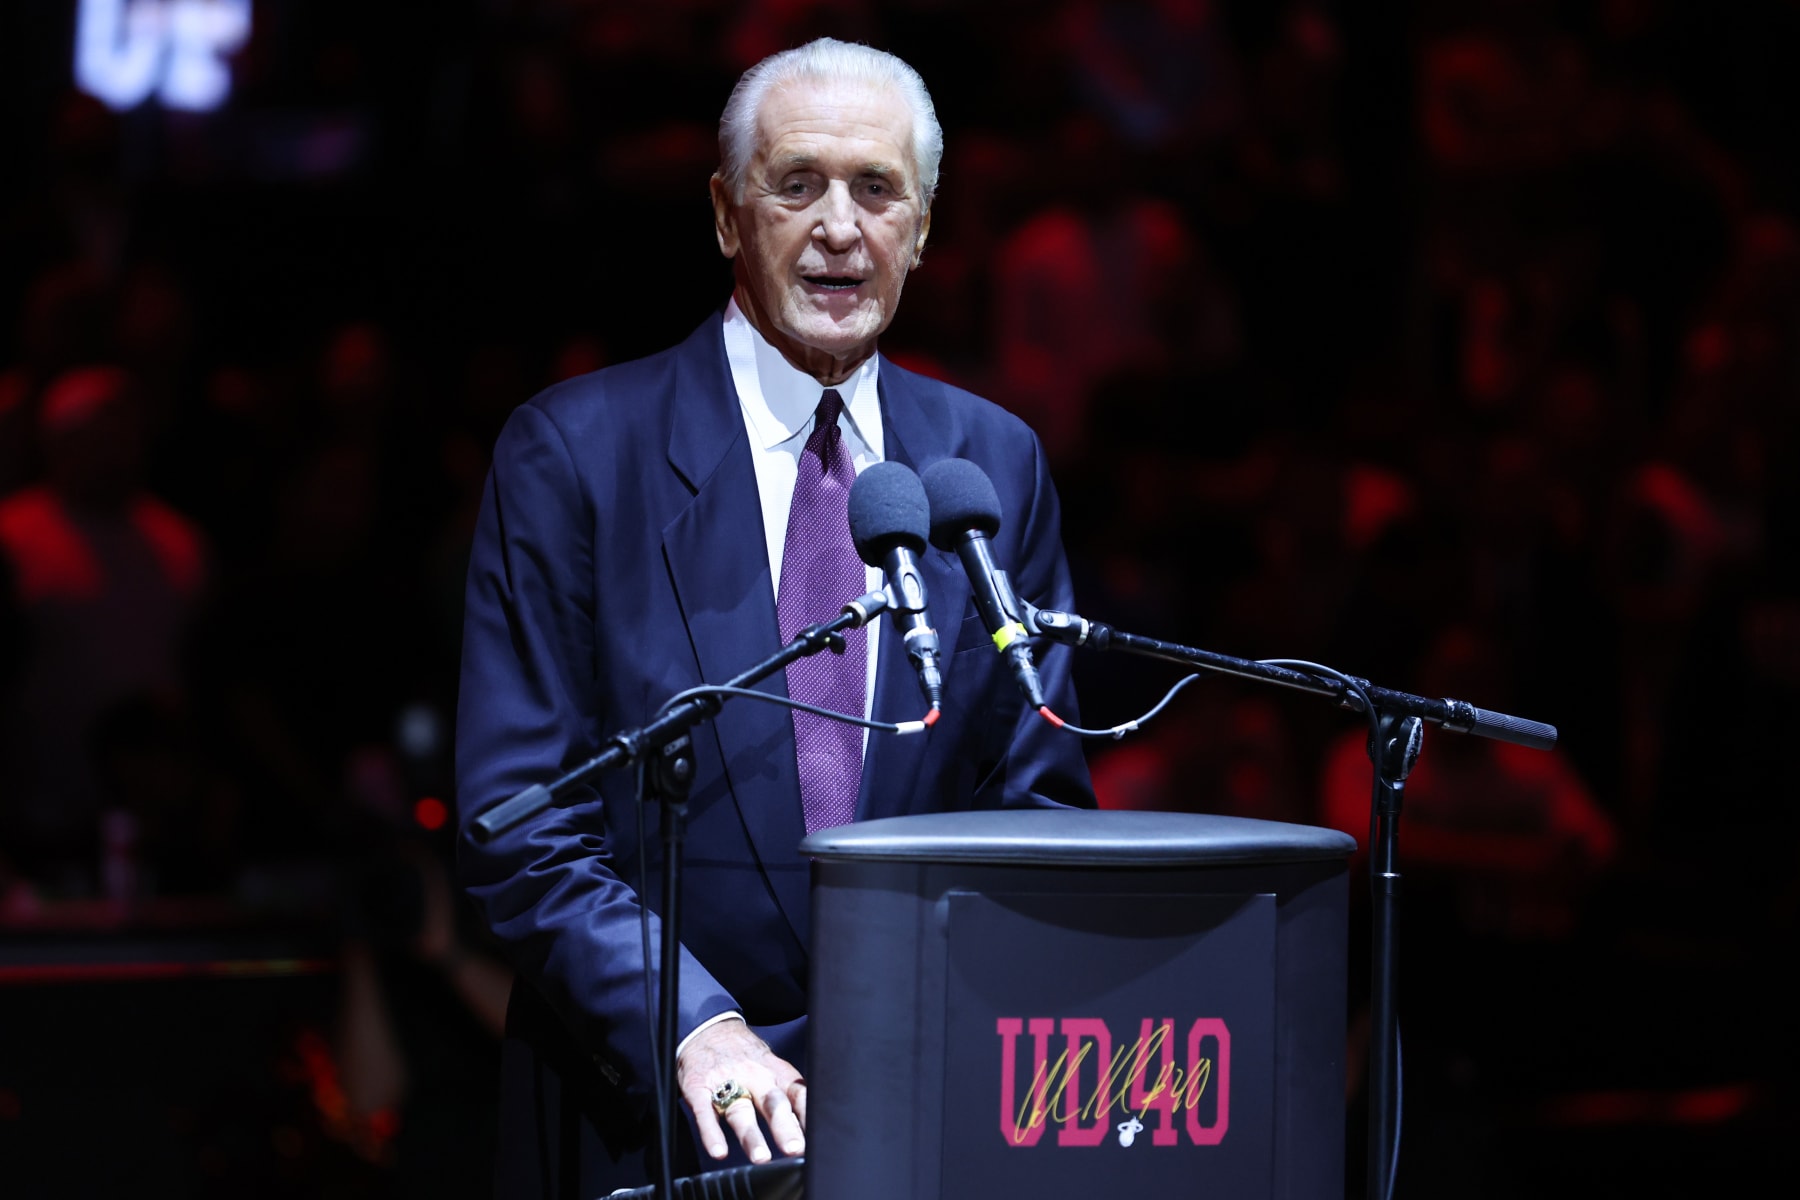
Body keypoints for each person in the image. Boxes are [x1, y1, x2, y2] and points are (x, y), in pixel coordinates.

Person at [454, 38, 1093, 1197]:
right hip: (649, 1108)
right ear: (724, 216)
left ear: (927, 226)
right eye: (797, 183)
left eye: (877, 189)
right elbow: (518, 824)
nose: (840, 227)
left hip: (928, 1114)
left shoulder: (991, 465)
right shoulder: (579, 454)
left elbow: (1037, 804)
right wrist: (694, 1025)